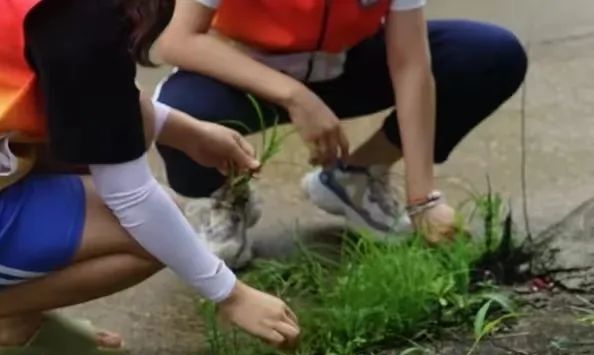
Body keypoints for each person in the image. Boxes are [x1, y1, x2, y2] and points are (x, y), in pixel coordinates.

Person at [0, 0, 302, 355]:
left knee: (93, 152)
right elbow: (132, 198)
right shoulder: (84, 21)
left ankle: (15, 322)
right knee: (151, 235)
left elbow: (89, 89)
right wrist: (231, 294)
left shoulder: (65, 15)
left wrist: (186, 131)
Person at [153, 0, 528, 255]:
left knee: (491, 54)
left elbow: (411, 64)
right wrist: (295, 96)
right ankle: (221, 195)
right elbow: (177, 40)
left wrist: (423, 200)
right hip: (246, 73)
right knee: (177, 112)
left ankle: (356, 177)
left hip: (344, 65)